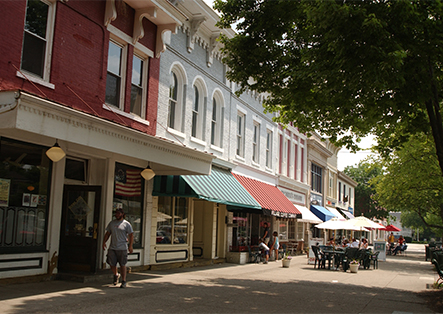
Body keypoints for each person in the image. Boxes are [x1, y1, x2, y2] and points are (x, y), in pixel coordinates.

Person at [103, 208, 134, 288]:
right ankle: (116, 274)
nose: (117, 215)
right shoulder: (112, 223)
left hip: (122, 247)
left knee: (122, 264)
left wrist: (130, 246)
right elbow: (107, 234)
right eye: (116, 213)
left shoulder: (126, 224)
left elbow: (131, 235)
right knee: (111, 263)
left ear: (122, 214)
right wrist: (104, 242)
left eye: (118, 213)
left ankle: (123, 281)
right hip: (113, 247)